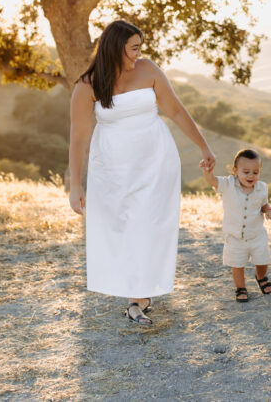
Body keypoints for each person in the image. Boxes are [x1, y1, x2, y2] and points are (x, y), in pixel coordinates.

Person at [67, 20, 216, 327]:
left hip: (155, 160)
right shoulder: (86, 86)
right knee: (122, 225)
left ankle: (139, 298)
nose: (138, 54)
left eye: (139, 48)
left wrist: (204, 146)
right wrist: (75, 185)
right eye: (133, 48)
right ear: (115, 47)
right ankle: (135, 292)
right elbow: (78, 138)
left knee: (149, 223)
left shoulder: (148, 70)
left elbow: (175, 110)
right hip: (112, 168)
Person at [201, 148, 271, 302]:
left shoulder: (262, 188)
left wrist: (269, 211)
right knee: (237, 264)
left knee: (262, 260)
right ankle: (240, 288)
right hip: (235, 236)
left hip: (256, 235)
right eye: (246, 171)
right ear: (235, 171)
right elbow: (212, 181)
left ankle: (261, 277)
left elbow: (263, 205)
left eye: (255, 172)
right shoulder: (228, 184)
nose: (251, 176)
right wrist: (207, 171)